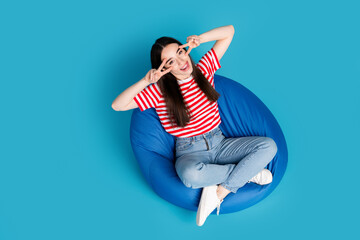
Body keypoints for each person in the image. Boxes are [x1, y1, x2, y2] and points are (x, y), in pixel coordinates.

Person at [112, 25, 278, 226]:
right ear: (164, 68)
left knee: (269, 146)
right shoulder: (158, 92)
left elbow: (229, 32)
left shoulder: (204, 70)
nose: (181, 61)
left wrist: (200, 38)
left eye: (181, 52)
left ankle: (222, 189)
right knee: (189, 176)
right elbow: (118, 105)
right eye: (170, 61)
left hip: (221, 143)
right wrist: (146, 81)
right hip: (189, 152)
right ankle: (247, 174)